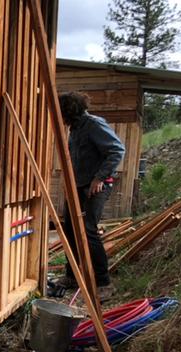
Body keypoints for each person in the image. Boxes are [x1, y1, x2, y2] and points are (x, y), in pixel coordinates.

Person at [56, 92, 125, 300]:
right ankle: (72, 276)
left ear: (68, 111)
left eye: (60, 113)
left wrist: (99, 178)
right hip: (78, 185)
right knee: (70, 228)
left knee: (87, 230)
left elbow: (117, 150)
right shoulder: (75, 130)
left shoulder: (94, 124)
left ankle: (104, 283)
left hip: (97, 186)